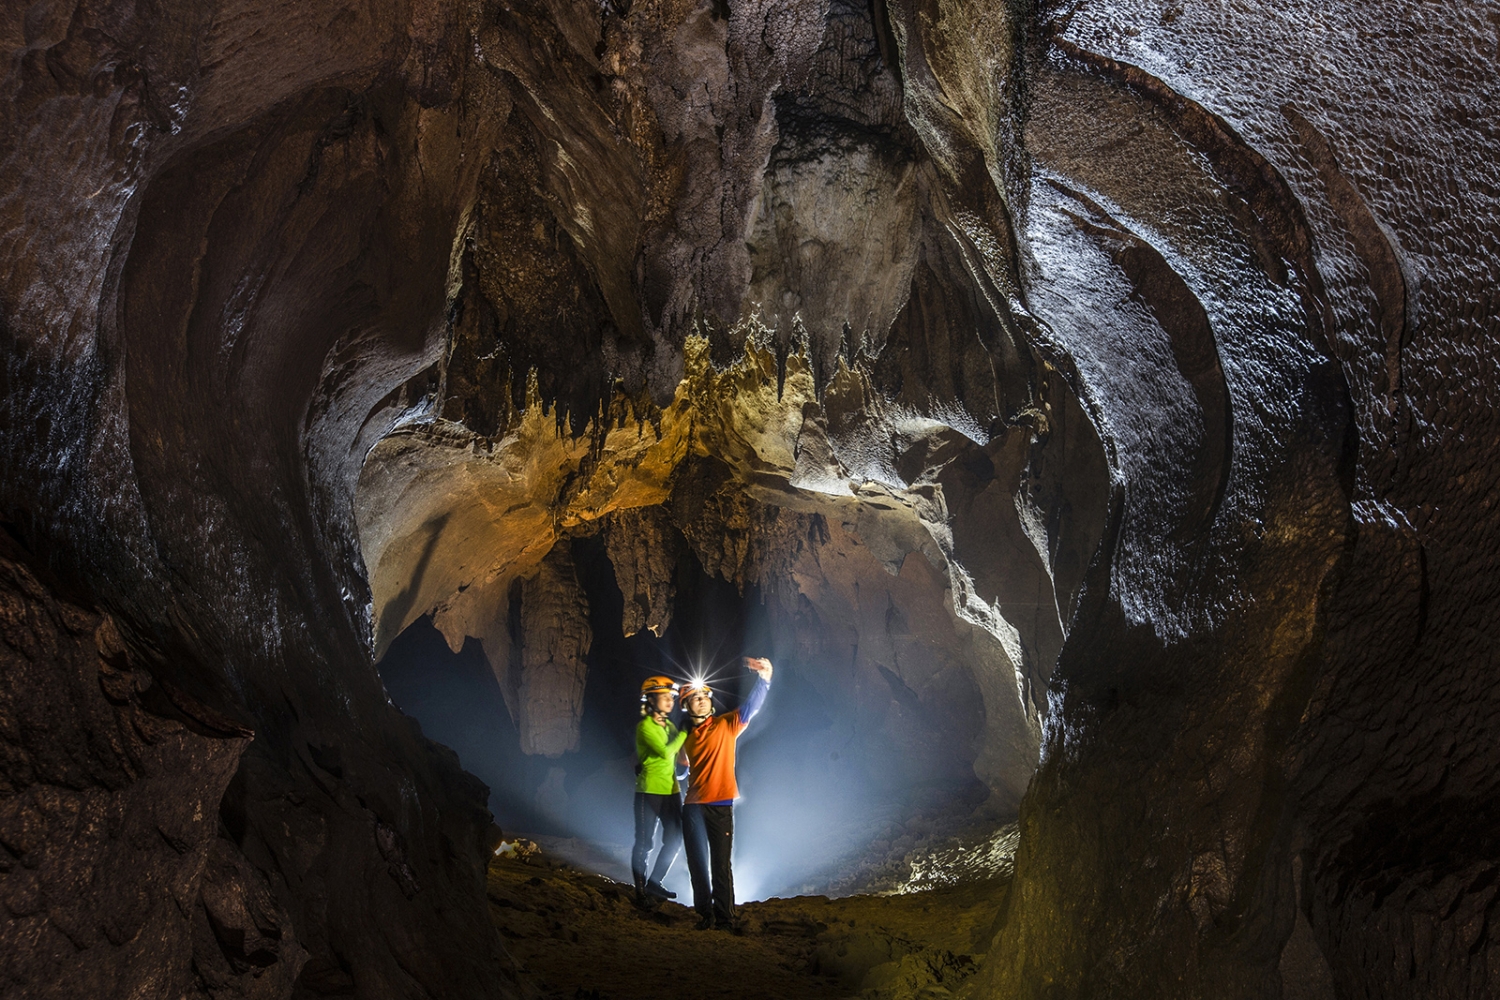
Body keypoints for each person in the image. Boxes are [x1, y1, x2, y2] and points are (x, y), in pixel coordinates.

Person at [679, 656, 773, 931]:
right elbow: (682, 772)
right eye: (695, 698)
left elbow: (751, 708)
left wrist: (765, 679)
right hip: (693, 806)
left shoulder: (726, 725)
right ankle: (704, 915)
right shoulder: (684, 740)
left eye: (704, 696)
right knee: (697, 864)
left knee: (720, 865)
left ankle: (724, 918)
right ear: (686, 705)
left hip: (720, 805)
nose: (702, 700)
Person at [632, 675, 686, 909]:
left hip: (672, 791)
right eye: (664, 697)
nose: (670, 701)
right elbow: (666, 752)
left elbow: (677, 754)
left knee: (675, 838)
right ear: (651, 700)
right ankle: (640, 891)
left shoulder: (670, 725)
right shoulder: (645, 726)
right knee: (644, 843)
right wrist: (684, 732)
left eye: (671, 698)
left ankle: (655, 881)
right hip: (649, 792)